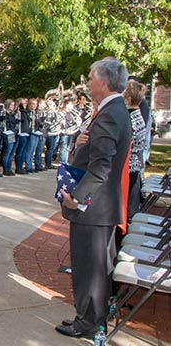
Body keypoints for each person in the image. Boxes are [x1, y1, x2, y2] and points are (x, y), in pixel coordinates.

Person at [56, 57, 131, 339]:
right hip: (102, 206)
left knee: (89, 269)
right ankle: (93, 317)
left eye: (90, 78)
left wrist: (76, 197)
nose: (87, 83)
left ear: (103, 81)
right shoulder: (112, 110)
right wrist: (80, 143)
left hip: (94, 208)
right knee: (95, 267)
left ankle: (87, 322)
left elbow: (102, 166)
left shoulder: (110, 113)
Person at [124, 79, 148, 219]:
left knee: (129, 200)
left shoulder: (130, 117)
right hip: (134, 163)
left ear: (128, 97)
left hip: (130, 165)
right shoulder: (136, 115)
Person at [59, 99, 81, 165]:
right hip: (65, 132)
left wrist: (78, 120)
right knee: (64, 147)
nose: (72, 106)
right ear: (67, 105)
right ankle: (63, 162)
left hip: (71, 132)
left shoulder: (71, 113)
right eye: (70, 104)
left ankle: (65, 161)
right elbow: (63, 123)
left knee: (67, 148)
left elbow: (74, 121)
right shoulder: (63, 112)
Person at [43, 98, 62, 170]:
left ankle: (49, 163)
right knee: (50, 149)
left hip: (56, 132)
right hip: (50, 133)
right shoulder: (49, 113)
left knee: (52, 148)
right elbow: (49, 122)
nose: (54, 106)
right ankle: (48, 163)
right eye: (53, 105)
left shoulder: (55, 112)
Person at [1, 99, 18, 176]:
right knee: (7, 152)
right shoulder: (4, 114)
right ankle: (5, 169)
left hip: (12, 134)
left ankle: (9, 168)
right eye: (11, 105)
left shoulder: (12, 114)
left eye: (13, 105)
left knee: (11, 152)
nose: (12, 107)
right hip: (7, 134)